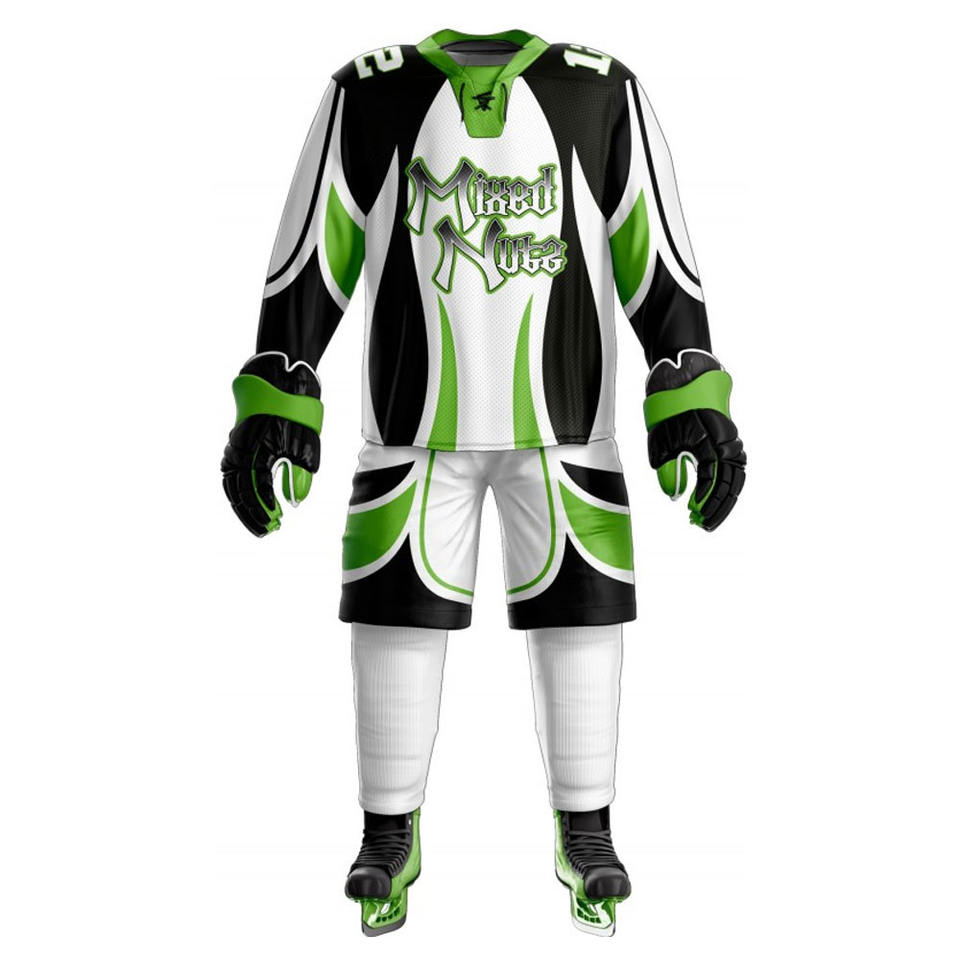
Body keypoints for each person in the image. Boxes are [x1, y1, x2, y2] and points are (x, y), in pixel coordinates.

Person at [221, 28, 746, 937]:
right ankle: (388, 831)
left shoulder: (600, 91)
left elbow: (655, 247)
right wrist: (281, 381)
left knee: (583, 615)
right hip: (409, 428)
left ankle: (587, 827)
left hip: (569, 424)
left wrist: (687, 381)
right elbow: (313, 244)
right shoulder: (367, 92)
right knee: (392, 612)